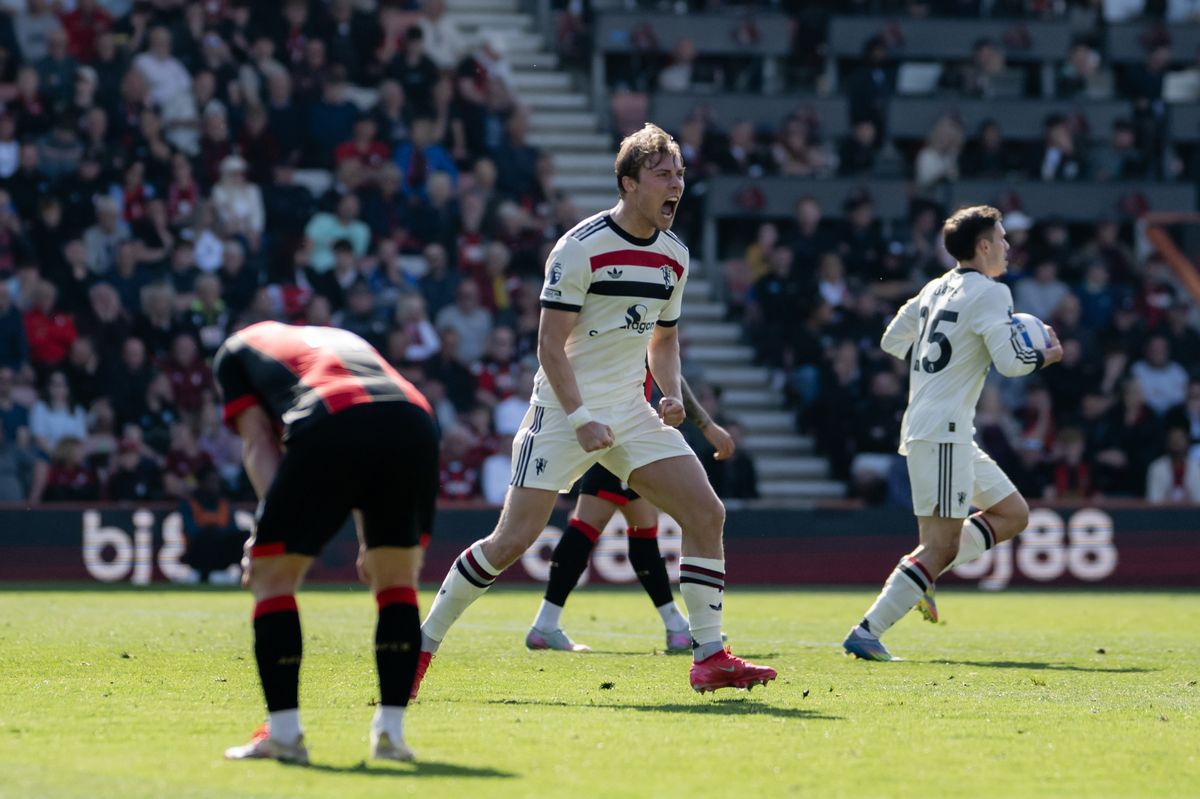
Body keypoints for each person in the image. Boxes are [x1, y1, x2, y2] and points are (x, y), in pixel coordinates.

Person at [413, 123, 777, 698]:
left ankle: (709, 656)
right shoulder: (581, 247)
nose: (676, 184)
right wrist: (580, 418)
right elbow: (548, 346)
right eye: (663, 175)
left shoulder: (675, 256)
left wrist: (673, 391)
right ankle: (421, 645)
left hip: (631, 411)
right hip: (562, 413)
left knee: (706, 513)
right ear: (630, 183)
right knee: (511, 541)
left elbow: (663, 340)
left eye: (679, 174)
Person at [843, 205, 1064, 662]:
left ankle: (921, 575)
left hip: (945, 429)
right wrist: (1046, 354)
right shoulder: (992, 292)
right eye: (1002, 238)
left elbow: (891, 341)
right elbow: (1010, 363)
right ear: (983, 246)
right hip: (942, 431)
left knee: (1012, 513)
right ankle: (869, 629)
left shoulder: (933, 288)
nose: (1007, 245)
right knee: (939, 545)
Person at [217, 321, 438, 764]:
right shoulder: (341, 337)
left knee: (271, 576)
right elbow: (373, 419)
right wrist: (368, 536)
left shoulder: (236, 351)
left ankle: (284, 735)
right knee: (395, 580)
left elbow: (260, 442)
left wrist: (266, 531)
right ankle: (391, 735)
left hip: (333, 412)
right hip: (415, 417)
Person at [526, 377, 736, 653]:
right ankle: (675, 627)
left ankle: (546, 624)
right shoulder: (638, 334)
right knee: (595, 527)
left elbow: (666, 372)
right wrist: (707, 425)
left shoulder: (634, 337)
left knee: (633, 529)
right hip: (622, 432)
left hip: (621, 429)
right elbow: (667, 372)